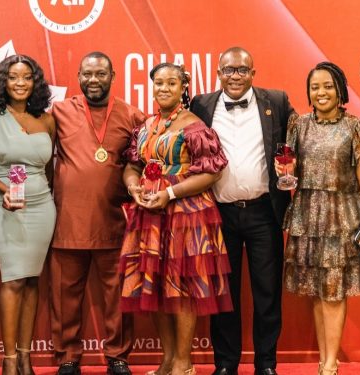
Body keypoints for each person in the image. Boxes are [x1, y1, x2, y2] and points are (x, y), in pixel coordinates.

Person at [189, 47, 295, 375]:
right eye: (229, 70)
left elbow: (295, 146)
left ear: (253, 73)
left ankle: (266, 365)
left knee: (267, 293)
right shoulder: (201, 105)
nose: (236, 76)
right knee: (224, 295)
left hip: (265, 212)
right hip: (219, 214)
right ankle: (225, 365)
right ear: (218, 73)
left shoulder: (276, 102)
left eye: (242, 70)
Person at [120, 62, 231, 375]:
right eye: (159, 83)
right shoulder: (146, 126)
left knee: (180, 288)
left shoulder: (194, 126)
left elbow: (212, 171)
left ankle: (184, 363)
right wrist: (134, 187)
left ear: (184, 87)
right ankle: (167, 360)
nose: (164, 89)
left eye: (171, 83)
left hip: (187, 215)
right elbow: (131, 165)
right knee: (155, 286)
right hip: (149, 215)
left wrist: (169, 194)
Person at [49, 51, 146, 375]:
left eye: (100, 74)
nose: (94, 80)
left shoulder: (133, 115)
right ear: (78, 76)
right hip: (67, 221)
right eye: (87, 74)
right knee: (64, 296)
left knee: (118, 296)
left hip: (113, 221)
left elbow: (147, 158)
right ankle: (67, 357)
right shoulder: (59, 112)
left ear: (113, 76)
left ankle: (118, 356)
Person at [281, 62, 360, 375]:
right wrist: (284, 173)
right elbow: (290, 169)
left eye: (327, 86)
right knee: (317, 290)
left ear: (340, 90)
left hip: (342, 216)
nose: (320, 92)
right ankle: (326, 360)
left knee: (334, 291)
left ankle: (330, 365)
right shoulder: (298, 124)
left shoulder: (355, 126)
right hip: (307, 215)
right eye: (314, 87)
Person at [0, 54, 55, 375]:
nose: (20, 83)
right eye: (13, 77)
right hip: (4, 204)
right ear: (2, 82)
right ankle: (9, 361)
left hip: (42, 206)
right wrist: (3, 188)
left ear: (35, 83)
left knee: (32, 279)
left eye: (26, 78)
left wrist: (43, 195)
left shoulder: (46, 120)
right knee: (13, 279)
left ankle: (25, 357)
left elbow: (48, 167)